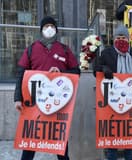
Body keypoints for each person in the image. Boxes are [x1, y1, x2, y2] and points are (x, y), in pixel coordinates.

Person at [14, 16, 80, 160]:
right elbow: (21, 74)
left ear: (56, 30)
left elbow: (76, 72)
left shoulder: (64, 49)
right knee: (30, 143)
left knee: (61, 145)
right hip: (35, 105)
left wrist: (62, 72)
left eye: (52, 26)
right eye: (46, 26)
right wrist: (17, 98)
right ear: (41, 30)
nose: (49, 29)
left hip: (58, 105)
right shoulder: (31, 49)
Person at [93, 24, 132, 160]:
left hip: (131, 101)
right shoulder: (106, 53)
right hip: (112, 102)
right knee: (112, 139)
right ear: (114, 38)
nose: (121, 39)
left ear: (128, 39)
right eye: (118, 37)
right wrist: (103, 68)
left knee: (129, 138)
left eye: (124, 37)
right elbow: (96, 68)